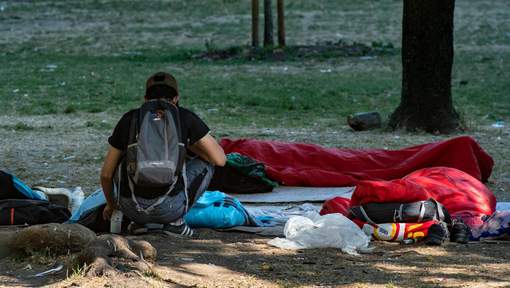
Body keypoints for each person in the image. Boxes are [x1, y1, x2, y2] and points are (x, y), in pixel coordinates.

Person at [100, 72, 226, 237]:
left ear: (145, 99)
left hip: (131, 209)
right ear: (175, 98)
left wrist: (111, 205)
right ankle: (176, 224)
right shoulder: (184, 117)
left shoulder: (129, 119)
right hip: (170, 210)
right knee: (208, 163)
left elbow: (106, 174)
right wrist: (185, 144)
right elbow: (220, 159)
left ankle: (140, 224)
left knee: (122, 157)